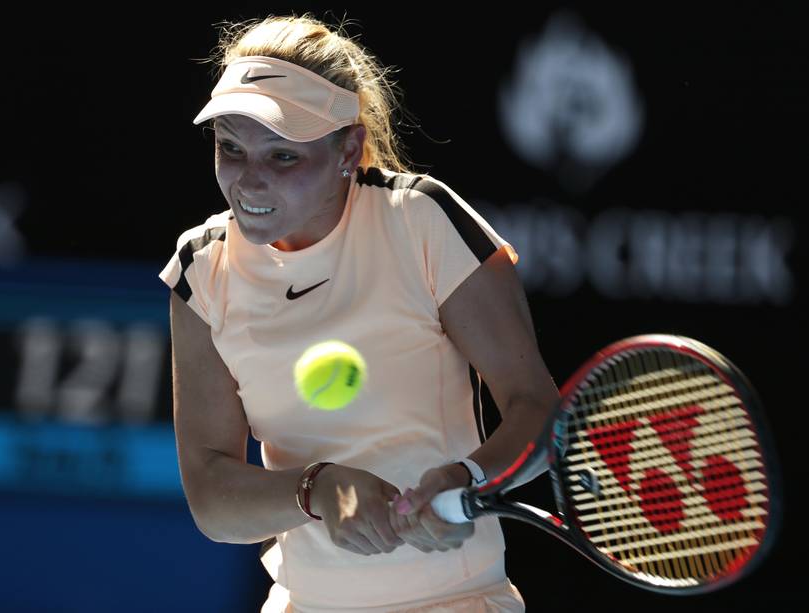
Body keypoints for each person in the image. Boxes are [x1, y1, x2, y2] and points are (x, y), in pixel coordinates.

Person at [159, 14, 559, 613]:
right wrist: (315, 489)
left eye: (284, 157)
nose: (249, 181)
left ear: (348, 147)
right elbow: (213, 502)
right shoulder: (201, 268)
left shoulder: (419, 219)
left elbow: (539, 411)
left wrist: (469, 479)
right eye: (231, 149)